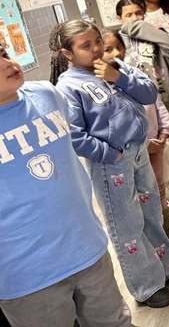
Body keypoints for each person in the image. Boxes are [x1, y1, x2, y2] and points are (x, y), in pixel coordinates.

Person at [49, 20, 169, 309]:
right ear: (68, 54)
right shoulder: (68, 87)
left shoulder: (114, 65)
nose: (95, 49)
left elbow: (148, 93)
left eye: (96, 41)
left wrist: (117, 76)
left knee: (151, 212)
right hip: (110, 163)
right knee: (126, 225)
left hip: (138, 150)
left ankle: (167, 266)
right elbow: (74, 134)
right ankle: (145, 286)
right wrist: (110, 154)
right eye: (85, 46)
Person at [0, 44, 134, 327]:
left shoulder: (46, 94)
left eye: (2, 53)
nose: (6, 63)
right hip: (26, 275)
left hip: (87, 249)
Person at [102, 29, 169, 249]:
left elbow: (156, 102)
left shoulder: (135, 73)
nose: (116, 53)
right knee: (145, 196)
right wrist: (146, 144)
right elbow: (123, 122)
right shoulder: (105, 85)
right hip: (139, 149)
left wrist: (164, 131)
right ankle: (158, 245)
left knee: (160, 190)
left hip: (157, 143)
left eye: (119, 46)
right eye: (108, 49)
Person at [116, 0, 169, 217]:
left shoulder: (152, 34)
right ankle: (164, 199)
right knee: (152, 151)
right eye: (129, 15)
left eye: (138, 13)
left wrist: (146, 29)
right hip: (135, 106)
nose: (135, 19)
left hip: (160, 96)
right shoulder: (117, 41)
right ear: (119, 19)